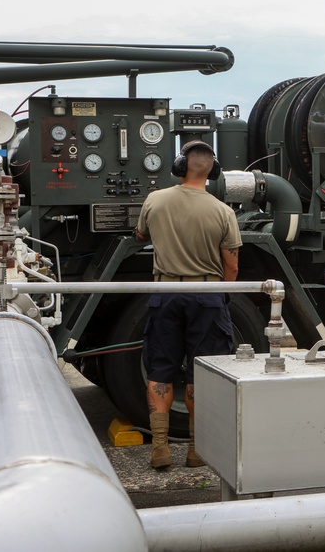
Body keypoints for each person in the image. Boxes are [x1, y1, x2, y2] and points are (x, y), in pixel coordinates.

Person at [134, 140, 241, 469]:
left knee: (160, 369)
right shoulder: (223, 212)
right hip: (206, 297)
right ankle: (196, 449)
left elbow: (140, 235)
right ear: (214, 172)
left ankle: (161, 448)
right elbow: (232, 266)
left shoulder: (155, 200)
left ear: (180, 167)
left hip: (166, 293)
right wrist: (220, 298)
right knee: (201, 373)